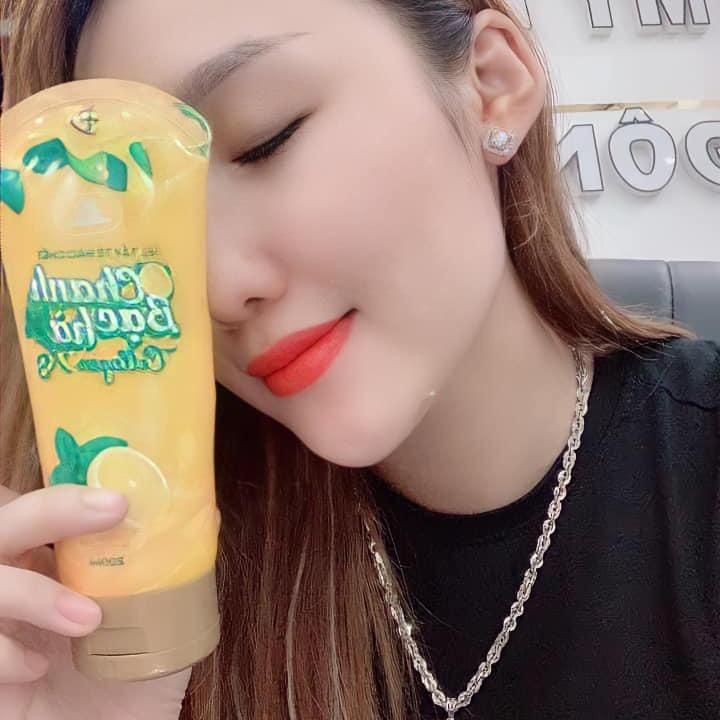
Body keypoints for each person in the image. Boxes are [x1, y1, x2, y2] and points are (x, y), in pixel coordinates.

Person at [1, 0, 718, 718]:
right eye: (153, 221)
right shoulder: (154, 577)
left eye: (266, 139)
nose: (218, 288)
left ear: (492, 83)